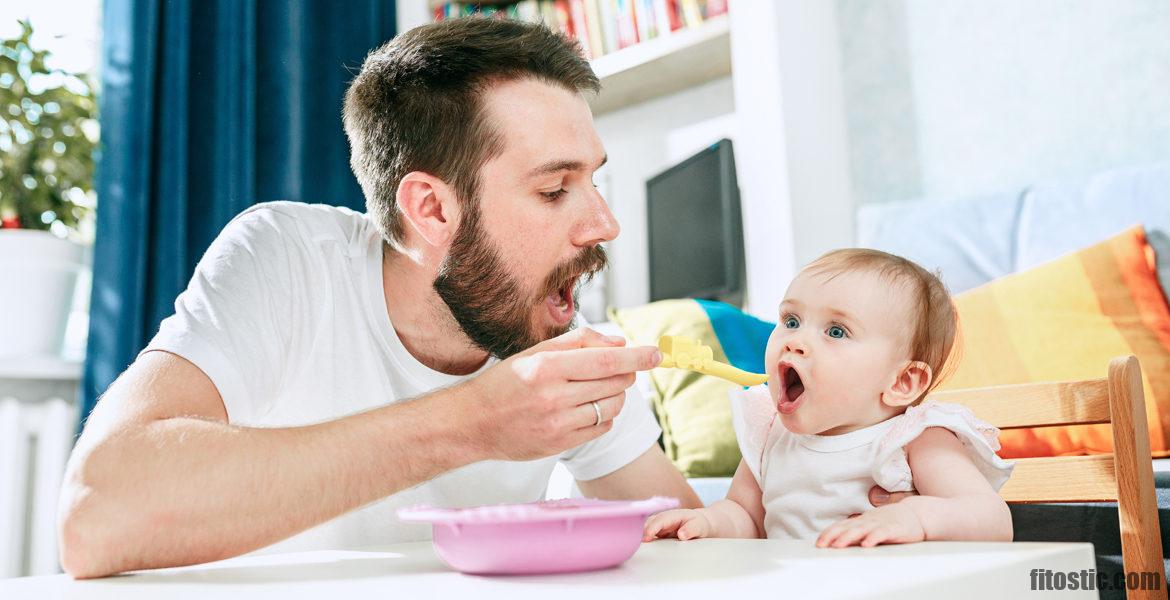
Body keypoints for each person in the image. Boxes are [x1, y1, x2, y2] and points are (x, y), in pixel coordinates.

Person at [56, 18, 709, 579]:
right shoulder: (289, 260)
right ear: (430, 208)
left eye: (594, 181)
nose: (604, 224)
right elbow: (95, 515)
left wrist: (794, 464)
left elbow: (693, 548)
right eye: (553, 189)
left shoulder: (545, 331)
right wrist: (475, 422)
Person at [643, 249, 1014, 546]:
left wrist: (916, 517)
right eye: (791, 321)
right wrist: (707, 521)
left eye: (836, 331)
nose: (795, 340)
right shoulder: (769, 433)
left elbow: (991, 520)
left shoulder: (915, 438)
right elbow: (746, 516)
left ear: (902, 381)